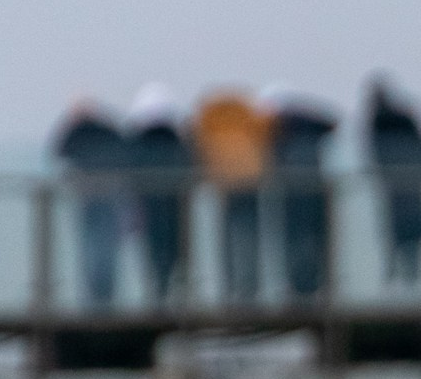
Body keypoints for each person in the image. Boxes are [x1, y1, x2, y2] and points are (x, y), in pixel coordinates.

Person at [194, 89, 272, 304]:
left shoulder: (211, 119)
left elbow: (200, 146)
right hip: (250, 180)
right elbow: (265, 137)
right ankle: (251, 286)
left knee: (227, 236)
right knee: (250, 235)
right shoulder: (247, 116)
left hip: (226, 182)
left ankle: (230, 286)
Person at [263, 86, 339, 301]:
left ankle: (299, 286)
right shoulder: (312, 127)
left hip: (292, 192)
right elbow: (332, 123)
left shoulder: (279, 131)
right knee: (315, 236)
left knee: (295, 238)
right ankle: (315, 284)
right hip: (314, 187)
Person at [49, 99, 126, 309]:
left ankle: (92, 296)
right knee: (106, 248)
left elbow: (58, 151)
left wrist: (69, 124)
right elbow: (124, 151)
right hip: (108, 196)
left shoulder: (76, 132)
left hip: (86, 197)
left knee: (89, 246)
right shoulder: (107, 130)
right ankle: (106, 295)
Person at [125, 84, 192, 305]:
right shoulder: (176, 142)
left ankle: (158, 292)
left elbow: (131, 175)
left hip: (149, 205)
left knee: (153, 250)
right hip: (174, 205)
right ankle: (174, 289)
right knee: (173, 247)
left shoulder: (137, 145)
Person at [365, 77, 421, 287]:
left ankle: (396, 274)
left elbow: (375, 153)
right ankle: (413, 273)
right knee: (410, 229)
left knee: (396, 230)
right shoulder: (403, 118)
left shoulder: (378, 121)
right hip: (408, 185)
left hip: (395, 186)